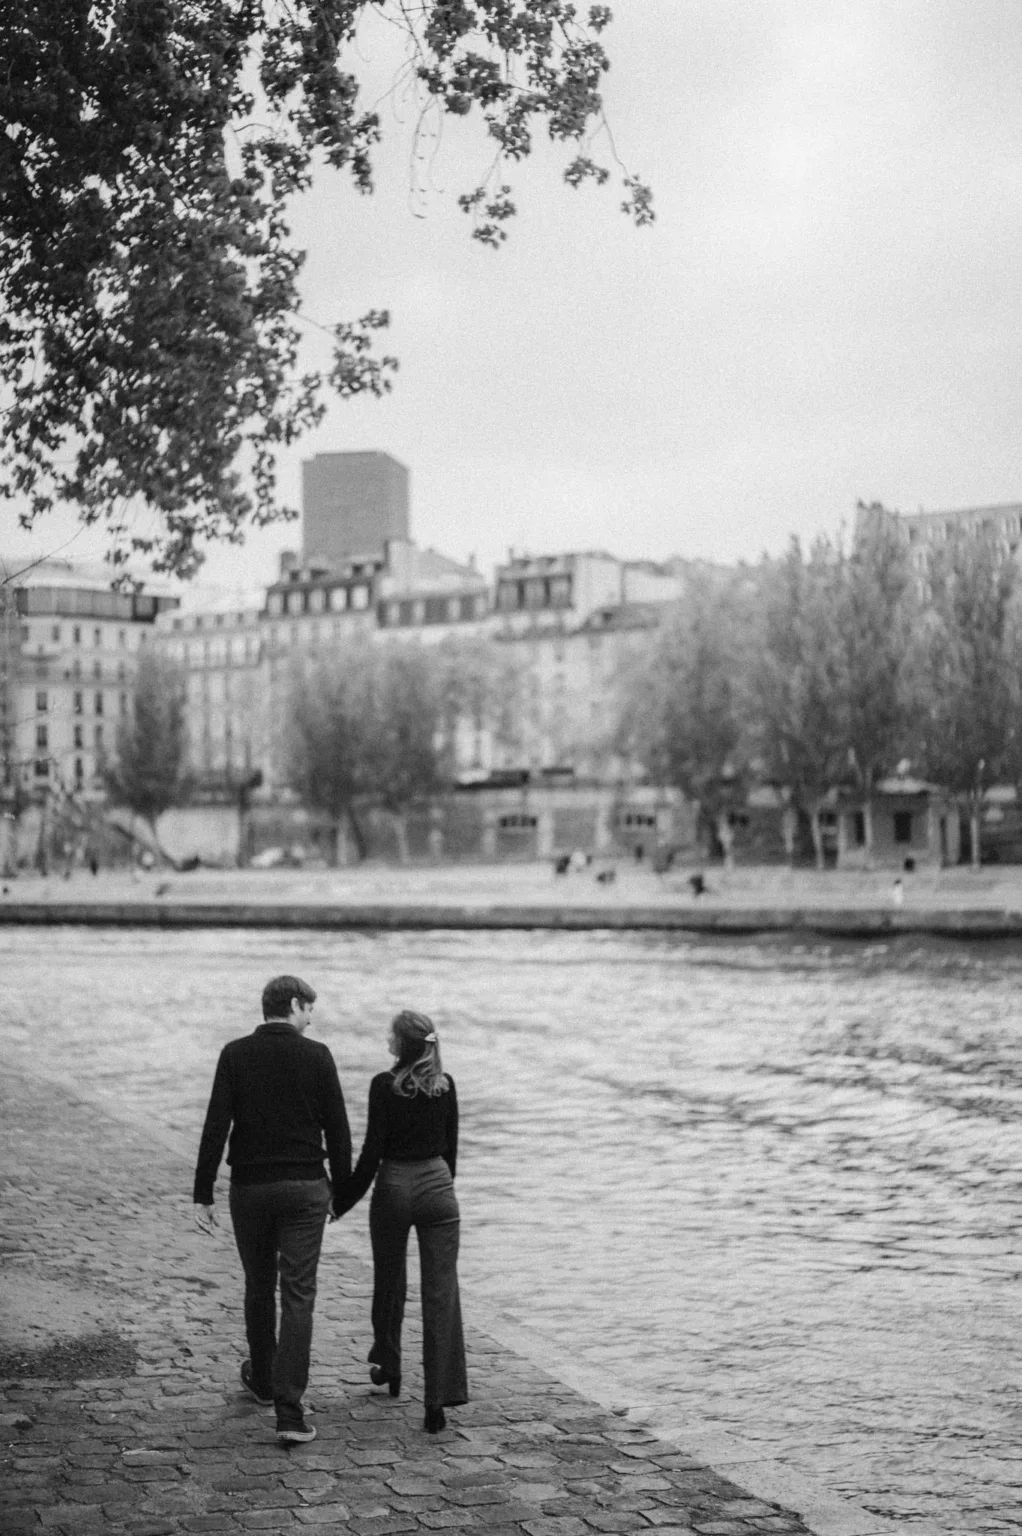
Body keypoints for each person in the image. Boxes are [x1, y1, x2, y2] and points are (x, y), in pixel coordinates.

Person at [192, 974, 351, 1445]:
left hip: (252, 1189)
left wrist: (203, 1192)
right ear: (295, 1005)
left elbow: (216, 1124)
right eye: (309, 1010)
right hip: (305, 1189)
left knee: (259, 1285)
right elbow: (338, 1130)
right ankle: (289, 1411)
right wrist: (341, 1192)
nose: (311, 1019)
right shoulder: (317, 1056)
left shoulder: (234, 1053)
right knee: (298, 1293)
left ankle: (262, 1378)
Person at [333, 1009, 467, 1434]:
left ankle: (388, 1365)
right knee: (441, 1294)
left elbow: (372, 1153)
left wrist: (341, 1201)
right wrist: (439, 1186)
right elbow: (452, 1153)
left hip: (394, 1186)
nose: (386, 1040)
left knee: (390, 1281)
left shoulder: (382, 1086)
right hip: (439, 1190)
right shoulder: (446, 1087)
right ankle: (436, 1401)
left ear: (404, 1044)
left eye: (391, 1035)